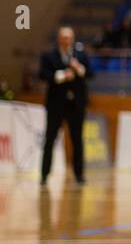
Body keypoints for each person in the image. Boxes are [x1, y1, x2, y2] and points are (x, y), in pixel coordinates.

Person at [37, 26, 93, 186]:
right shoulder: (49, 56)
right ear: (59, 39)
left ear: (73, 39)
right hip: (56, 105)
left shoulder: (80, 55)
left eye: (69, 37)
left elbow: (90, 73)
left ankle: (79, 175)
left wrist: (78, 69)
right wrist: (61, 75)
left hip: (76, 105)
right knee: (50, 140)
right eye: (63, 37)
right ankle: (44, 175)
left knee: (77, 140)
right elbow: (42, 74)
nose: (66, 40)